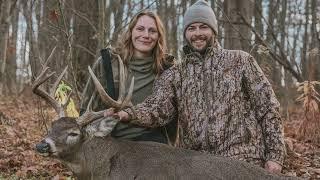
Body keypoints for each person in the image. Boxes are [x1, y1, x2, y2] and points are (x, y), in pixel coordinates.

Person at [106, 0, 286, 174]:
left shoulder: (241, 61)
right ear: (185, 33)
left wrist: (275, 156)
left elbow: (268, 108)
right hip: (197, 165)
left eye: (203, 27)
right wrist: (128, 114)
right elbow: (157, 108)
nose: (197, 33)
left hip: (242, 160)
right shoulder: (176, 74)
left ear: (214, 30)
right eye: (191, 28)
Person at [80, 10, 177, 144]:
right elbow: (85, 110)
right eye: (140, 29)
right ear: (131, 32)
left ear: (159, 36)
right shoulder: (107, 63)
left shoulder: (167, 68)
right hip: (110, 142)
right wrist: (103, 115)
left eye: (152, 31)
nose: (146, 35)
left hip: (151, 144)